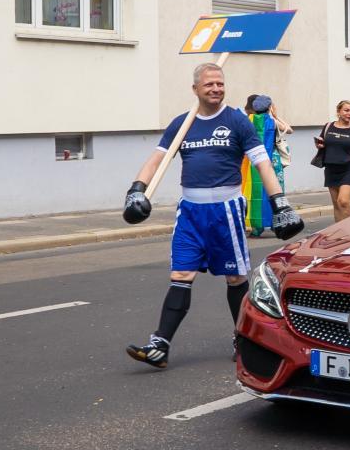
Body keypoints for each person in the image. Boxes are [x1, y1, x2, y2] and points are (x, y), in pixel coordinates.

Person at [121, 63, 303, 368]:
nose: (216, 88)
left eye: (220, 83)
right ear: (196, 89)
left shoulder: (237, 121)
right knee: (181, 275)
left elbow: (262, 164)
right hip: (190, 212)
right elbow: (158, 158)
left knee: (235, 278)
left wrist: (280, 203)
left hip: (226, 211)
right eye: (209, 85)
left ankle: (244, 338)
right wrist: (136, 189)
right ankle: (160, 345)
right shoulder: (182, 123)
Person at [314, 99, 350, 221]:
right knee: (337, 205)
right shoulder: (328, 126)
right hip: (331, 170)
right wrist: (319, 145)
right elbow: (322, 143)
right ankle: (339, 234)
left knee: (343, 201)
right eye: (346, 110)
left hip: (348, 170)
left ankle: (349, 232)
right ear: (338, 111)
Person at [241, 94, 279, 238]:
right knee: (272, 193)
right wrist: (276, 115)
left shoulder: (247, 121)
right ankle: (276, 223)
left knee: (251, 194)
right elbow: (288, 129)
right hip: (270, 162)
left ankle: (256, 227)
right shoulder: (272, 121)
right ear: (269, 107)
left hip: (250, 163)